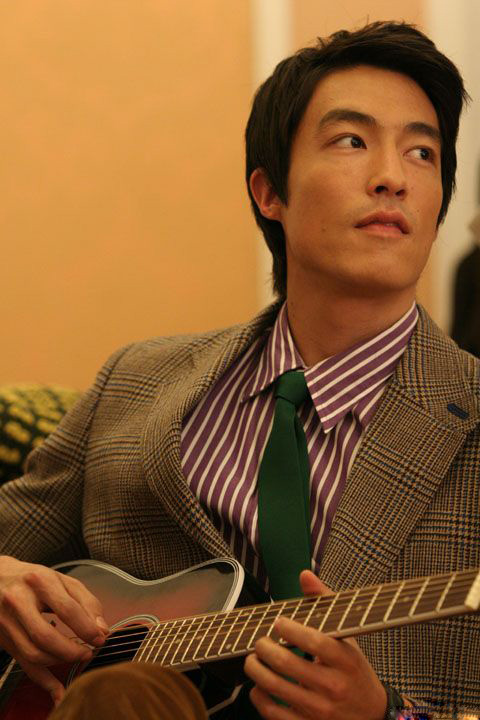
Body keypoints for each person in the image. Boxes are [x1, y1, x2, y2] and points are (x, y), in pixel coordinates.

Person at [0, 20, 478, 720]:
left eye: (423, 153)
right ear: (269, 192)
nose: (393, 177)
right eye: (352, 141)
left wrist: (387, 715)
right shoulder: (134, 382)